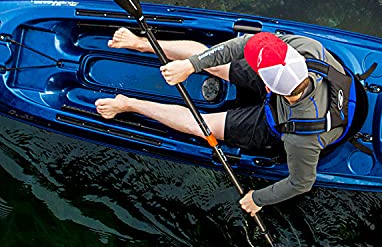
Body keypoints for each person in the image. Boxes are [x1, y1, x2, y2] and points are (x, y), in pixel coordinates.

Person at [95, 28, 347, 216]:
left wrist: (259, 199)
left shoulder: (302, 139)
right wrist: (192, 65)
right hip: (293, 92)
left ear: (267, 84)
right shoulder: (304, 49)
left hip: (283, 121)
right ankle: (141, 43)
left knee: (202, 126)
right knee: (217, 64)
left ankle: (127, 104)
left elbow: (301, 183)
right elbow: (242, 45)